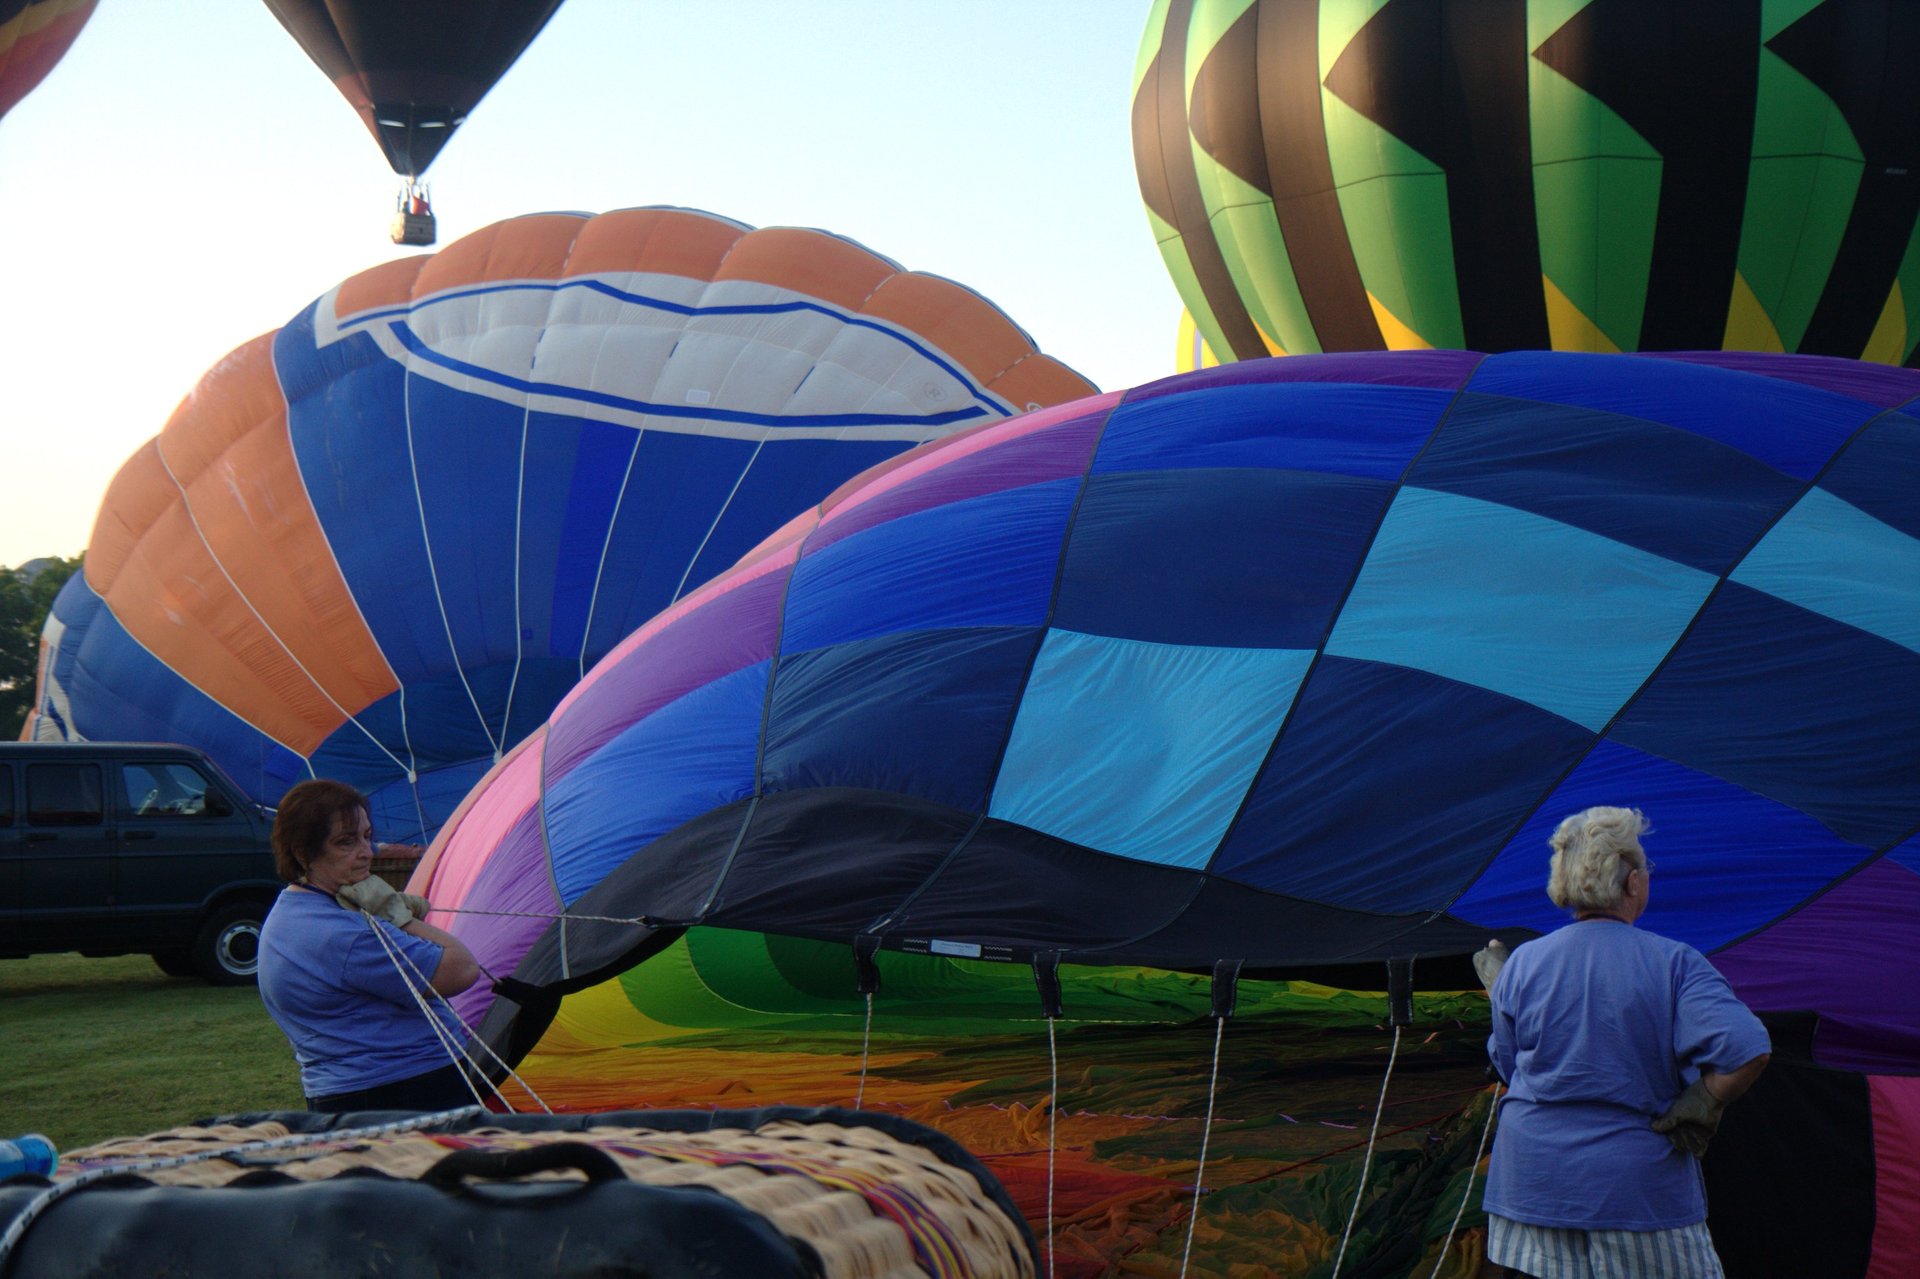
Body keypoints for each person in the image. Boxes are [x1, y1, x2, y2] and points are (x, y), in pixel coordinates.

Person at [1475, 806, 1770, 1279]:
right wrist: (1705, 1100)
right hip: (1633, 1191)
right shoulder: (1674, 962)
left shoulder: (1523, 962)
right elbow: (1747, 1047)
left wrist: (1505, 991)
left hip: (1530, 1182)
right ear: (1632, 882)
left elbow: (1511, 1068)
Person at [258, 779, 483, 1112]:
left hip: (348, 1093)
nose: (367, 852)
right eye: (346, 842)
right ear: (304, 853)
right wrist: (401, 917)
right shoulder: (342, 934)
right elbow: (462, 970)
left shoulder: (291, 913)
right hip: (403, 1091)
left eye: (366, 836)